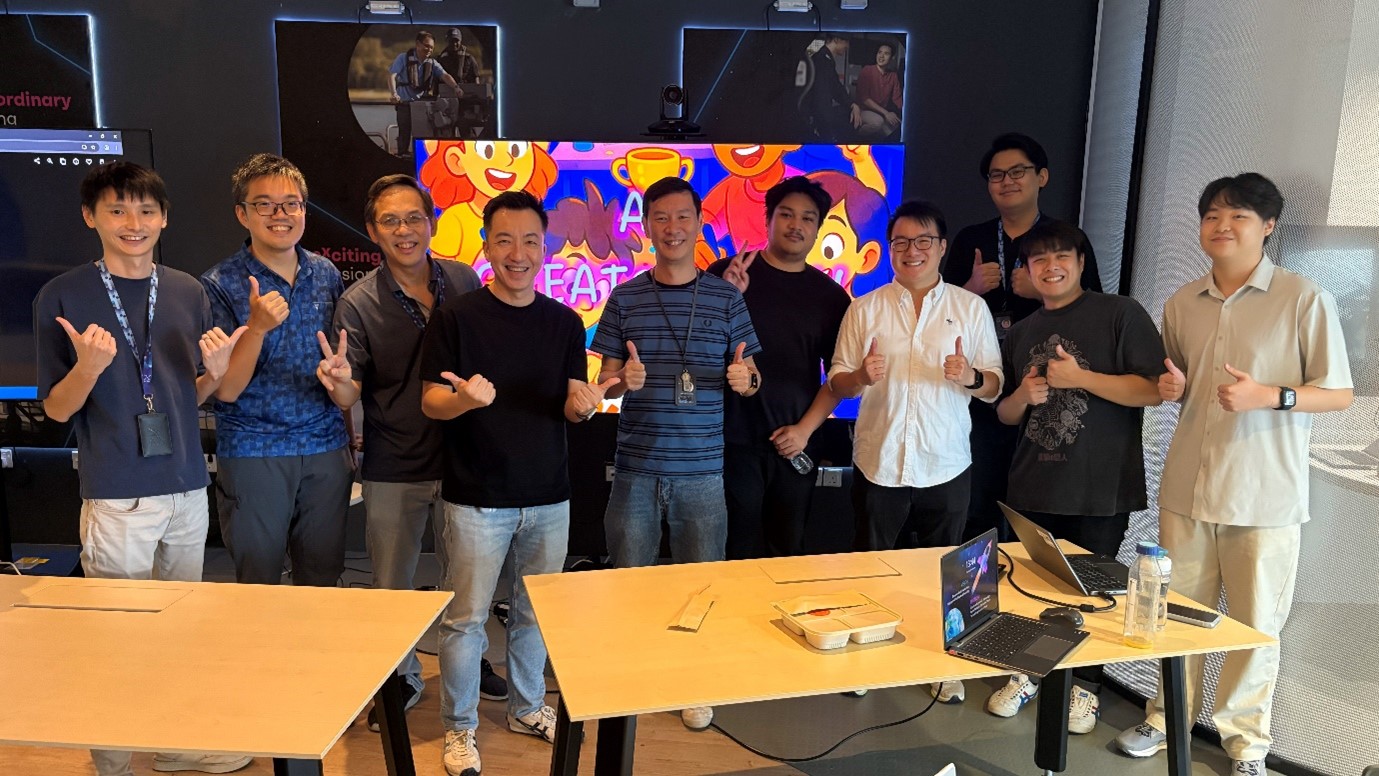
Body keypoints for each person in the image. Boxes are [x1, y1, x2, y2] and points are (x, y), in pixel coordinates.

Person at [1114, 174, 1352, 775]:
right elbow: (1166, 381)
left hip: (1264, 497)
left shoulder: (1303, 298)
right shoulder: (1181, 301)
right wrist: (1167, 387)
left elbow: (1340, 392)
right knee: (1175, 619)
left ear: (1268, 226)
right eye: (1212, 215)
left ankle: (1247, 749)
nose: (1222, 226)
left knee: (1253, 629)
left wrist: (1271, 394)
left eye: (1239, 216)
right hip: (1188, 489)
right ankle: (1167, 720)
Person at [34, 162, 251, 776]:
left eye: (146, 211)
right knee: (117, 638)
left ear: (164, 217)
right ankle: (113, 762)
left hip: (186, 486)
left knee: (178, 631)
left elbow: (191, 396)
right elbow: (55, 410)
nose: (134, 224)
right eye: (118, 211)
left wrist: (218, 365)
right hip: (118, 495)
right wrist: (90, 367)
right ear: (91, 217)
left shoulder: (186, 290)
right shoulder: (62, 296)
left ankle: (175, 744)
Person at [420, 190, 597, 776]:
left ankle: (525, 708)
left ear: (543, 247)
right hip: (475, 497)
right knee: (466, 618)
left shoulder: (566, 322)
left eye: (528, 241)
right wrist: (464, 400)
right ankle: (460, 728)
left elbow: (572, 408)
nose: (516, 253)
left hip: (549, 494)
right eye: (504, 240)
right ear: (487, 244)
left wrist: (589, 404)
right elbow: (431, 402)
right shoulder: (456, 318)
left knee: (534, 612)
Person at [319, 174, 505, 732]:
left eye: (414, 218)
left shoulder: (465, 278)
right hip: (395, 463)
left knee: (464, 582)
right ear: (373, 231)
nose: (405, 231)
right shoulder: (358, 304)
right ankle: (400, 676)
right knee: (392, 587)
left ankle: (464, 670)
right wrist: (337, 384)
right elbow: (350, 390)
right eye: (391, 221)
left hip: (465, 458)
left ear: (433, 222)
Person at [590, 176, 762, 730]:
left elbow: (752, 374)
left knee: (701, 586)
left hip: (703, 472)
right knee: (628, 580)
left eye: (682, 217)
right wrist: (623, 382)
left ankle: (694, 682)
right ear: (646, 227)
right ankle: (634, 676)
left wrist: (745, 379)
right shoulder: (624, 297)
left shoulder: (725, 297)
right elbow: (604, 382)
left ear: (698, 222)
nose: (672, 228)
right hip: (636, 468)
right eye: (660, 218)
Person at [984, 220, 1166, 733]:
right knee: (1030, 590)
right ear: (1027, 270)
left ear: (1082, 262)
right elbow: (1006, 413)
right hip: (1032, 484)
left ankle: (1084, 690)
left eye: (1061, 255)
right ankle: (1029, 673)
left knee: (1097, 598)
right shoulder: (1021, 332)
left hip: (1100, 488)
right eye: (1037, 260)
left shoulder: (1120, 313)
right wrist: (1024, 396)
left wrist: (1079, 377)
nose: (1050, 267)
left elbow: (1152, 390)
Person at [829, 199, 1001, 705]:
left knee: (947, 569)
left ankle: (943, 664)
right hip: (879, 459)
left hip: (946, 461)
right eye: (901, 242)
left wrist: (968, 376)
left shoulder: (970, 309)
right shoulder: (865, 307)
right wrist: (862, 375)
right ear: (889, 248)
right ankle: (868, 657)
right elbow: (839, 382)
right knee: (871, 564)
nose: (911, 251)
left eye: (923, 241)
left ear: (941, 248)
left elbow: (994, 385)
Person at [943, 133, 1104, 544]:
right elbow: (939, 313)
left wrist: (1042, 291)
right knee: (979, 500)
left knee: (1035, 507)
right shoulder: (970, 239)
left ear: (1042, 177)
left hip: (1048, 388)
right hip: (981, 388)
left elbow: (1095, 311)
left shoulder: (1066, 239)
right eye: (996, 175)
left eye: (1018, 171)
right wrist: (970, 287)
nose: (1006, 181)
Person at [201, 153, 352, 588]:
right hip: (254, 448)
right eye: (264, 204)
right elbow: (226, 389)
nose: (280, 215)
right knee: (259, 581)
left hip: (325, 445)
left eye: (291, 203)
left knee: (323, 578)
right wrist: (257, 330)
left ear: (304, 210)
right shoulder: (218, 283)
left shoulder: (324, 272)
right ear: (242, 214)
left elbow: (337, 364)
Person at [707, 175, 850, 558]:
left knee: (787, 551)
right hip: (729, 441)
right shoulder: (728, 273)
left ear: (818, 229)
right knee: (733, 551)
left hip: (794, 444)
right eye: (786, 214)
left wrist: (804, 431)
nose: (796, 225)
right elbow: (698, 347)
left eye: (807, 218)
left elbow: (837, 379)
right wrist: (727, 297)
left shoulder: (831, 297)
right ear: (768, 219)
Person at [389, 31, 461, 156]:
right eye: (426, 46)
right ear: (418, 44)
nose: (429, 50)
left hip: (422, 106)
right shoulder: (402, 58)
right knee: (404, 132)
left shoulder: (432, 63)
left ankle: (422, 158)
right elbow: (391, 75)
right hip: (404, 104)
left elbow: (445, 75)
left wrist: (456, 87)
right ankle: (402, 155)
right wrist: (394, 93)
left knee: (423, 134)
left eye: (432, 47)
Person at [805, 33, 861, 138]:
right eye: (846, 42)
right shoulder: (822, 59)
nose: (847, 46)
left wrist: (852, 104)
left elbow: (835, 86)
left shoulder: (825, 57)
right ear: (836, 39)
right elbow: (822, 96)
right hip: (818, 116)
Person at [855, 42, 903, 138]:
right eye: (879, 52)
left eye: (886, 53)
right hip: (862, 110)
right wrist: (886, 113)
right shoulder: (867, 70)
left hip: (880, 113)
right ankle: (855, 139)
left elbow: (898, 100)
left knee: (897, 128)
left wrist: (906, 117)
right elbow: (865, 99)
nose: (881, 56)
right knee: (878, 122)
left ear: (892, 58)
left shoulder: (893, 76)